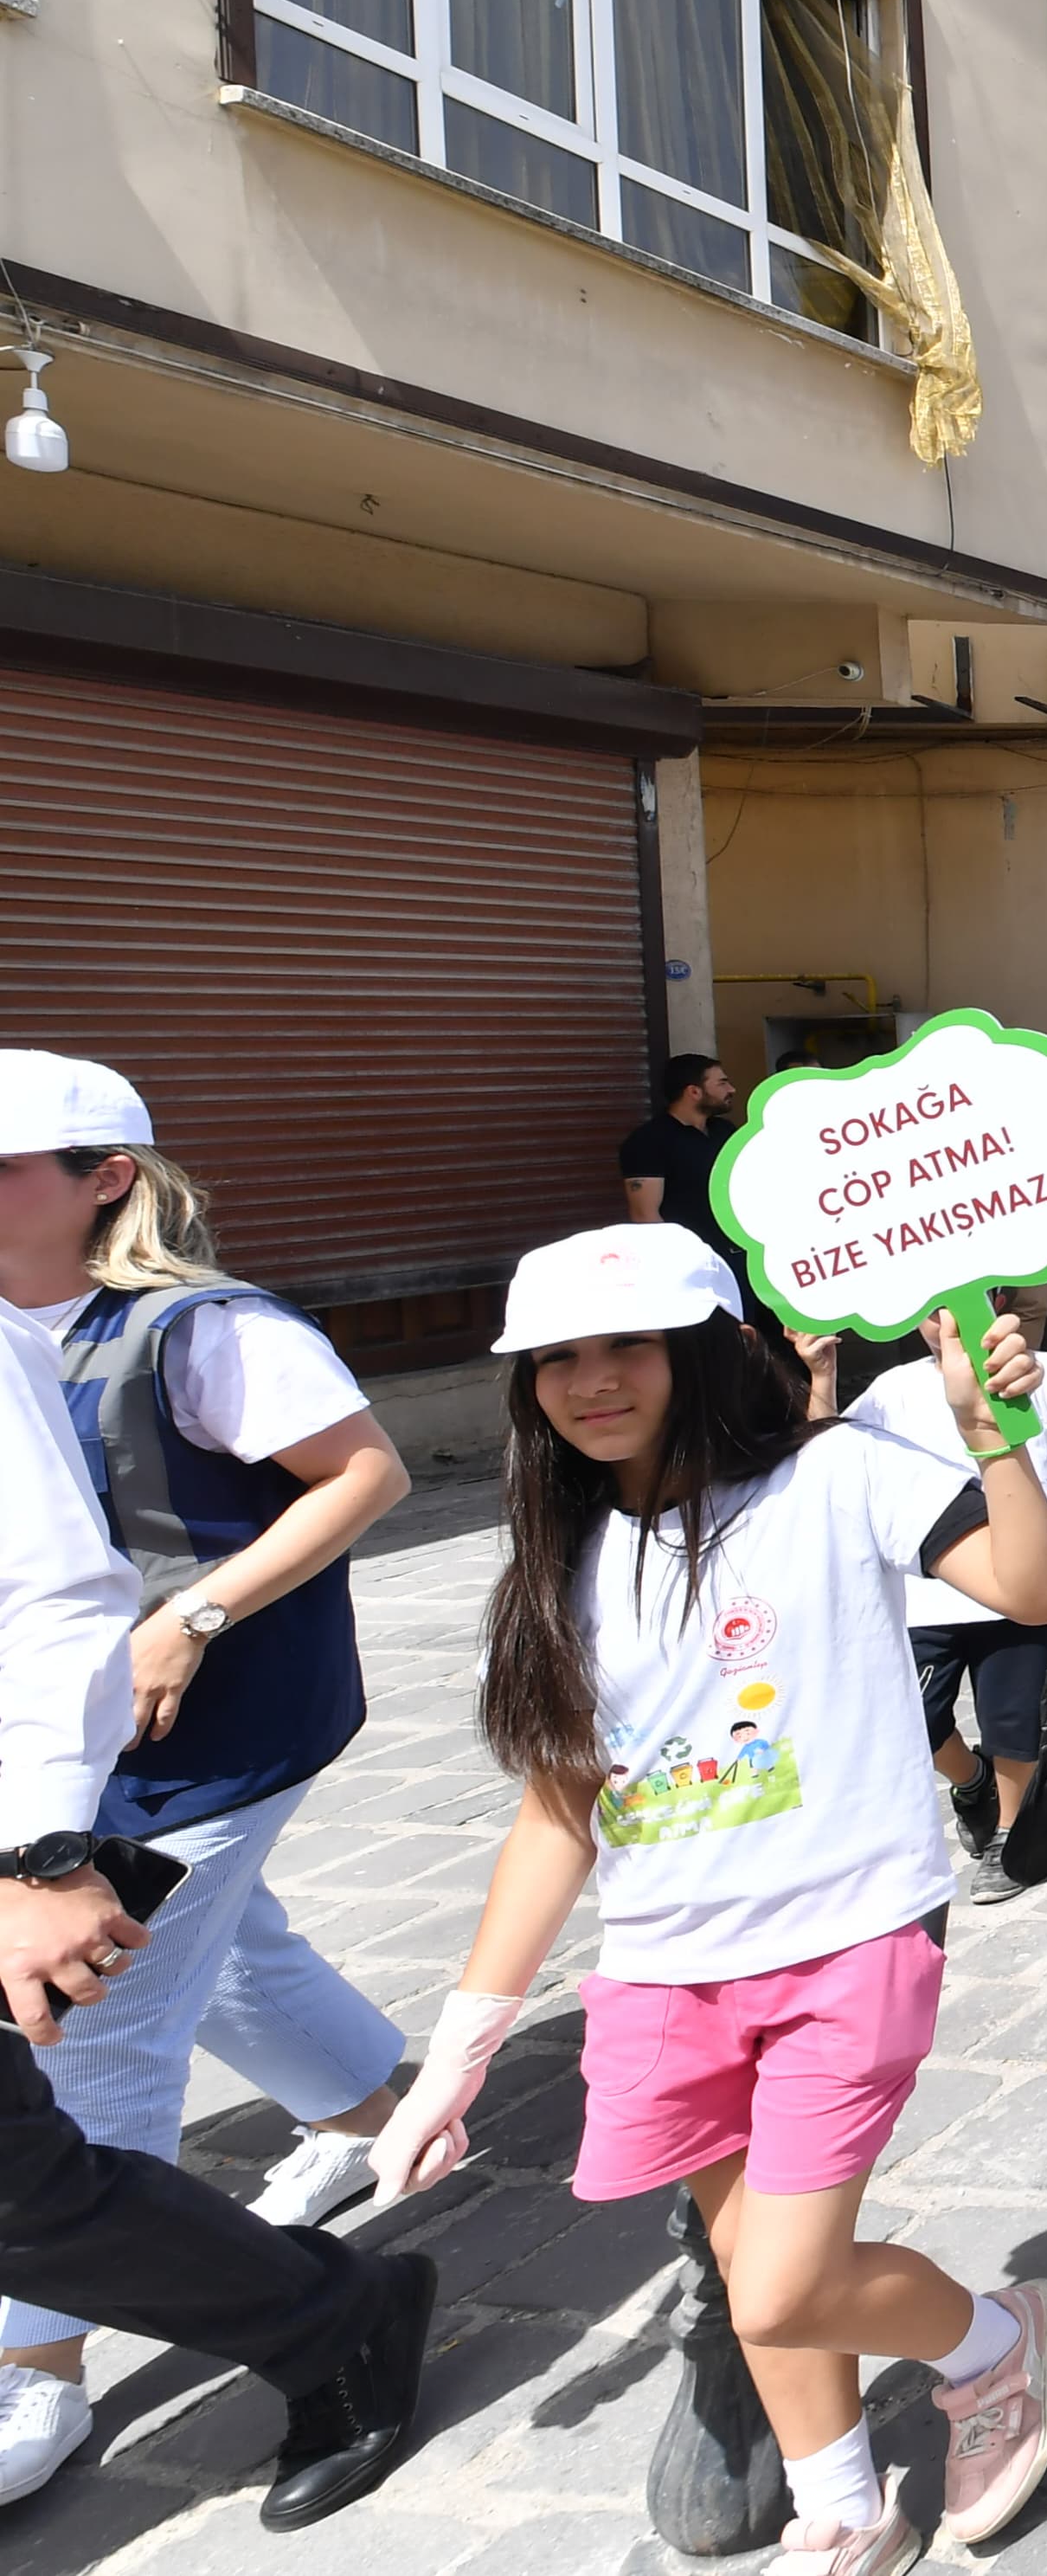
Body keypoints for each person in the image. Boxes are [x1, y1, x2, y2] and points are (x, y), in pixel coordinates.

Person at [369, 1225, 1047, 2572]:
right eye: (557, 1359)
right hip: (661, 1974)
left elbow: (1032, 1588)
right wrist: (454, 2057)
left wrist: (997, 1429)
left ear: (704, 1347)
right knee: (759, 2271)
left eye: (627, 1344)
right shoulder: (557, 1560)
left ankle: (995, 2346)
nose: (592, 1381)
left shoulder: (839, 1473)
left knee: (784, 2279)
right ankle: (842, 2506)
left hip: (850, 1935)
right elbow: (559, 1812)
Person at [0, 1054, 422, 2498]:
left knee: (88, 2032)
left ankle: (32, 2370)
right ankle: (378, 2120)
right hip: (71, 1749)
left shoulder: (202, 1327)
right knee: (226, 1944)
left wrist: (194, 1612)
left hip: (208, 1736)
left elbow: (368, 1472)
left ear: (104, 1177)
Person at [812, 1328, 1047, 1909]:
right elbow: (825, 1454)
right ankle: (972, 1781)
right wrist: (821, 1378)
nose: (948, 1323)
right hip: (926, 1589)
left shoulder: (1034, 1369)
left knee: (1013, 1718)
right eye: (934, 1311)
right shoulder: (893, 1387)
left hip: (1019, 1583)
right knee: (917, 1715)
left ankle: (1012, 1833)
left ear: (998, 1301)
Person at [620, 1053, 751, 1285]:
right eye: (722, 1083)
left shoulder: (725, 1131)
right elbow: (645, 1216)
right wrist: (676, 1267)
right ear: (694, 1091)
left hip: (742, 1257)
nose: (731, 1089)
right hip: (694, 1266)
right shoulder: (649, 1141)